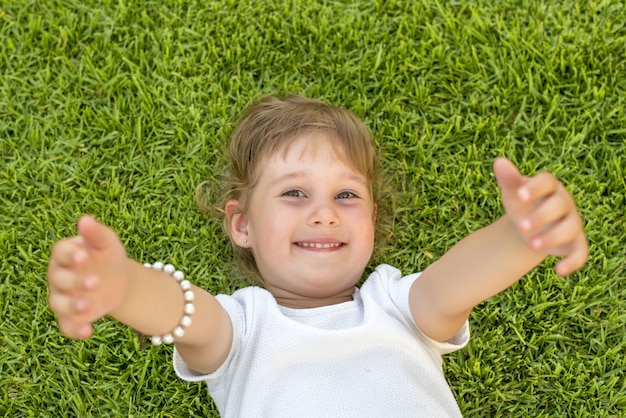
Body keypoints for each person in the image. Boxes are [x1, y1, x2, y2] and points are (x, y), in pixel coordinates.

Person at [47, 95, 588, 417]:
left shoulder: (396, 304)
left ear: (372, 218)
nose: (325, 214)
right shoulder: (244, 326)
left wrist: (522, 236)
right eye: (294, 193)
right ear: (242, 225)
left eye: (346, 196)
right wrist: (122, 286)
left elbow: (459, 283)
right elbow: (183, 311)